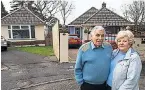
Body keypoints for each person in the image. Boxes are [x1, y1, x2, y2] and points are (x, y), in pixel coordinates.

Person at [74, 26, 113, 90]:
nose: (100, 38)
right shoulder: (84, 49)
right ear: (91, 36)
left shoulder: (108, 47)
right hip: (87, 86)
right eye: (97, 35)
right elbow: (78, 67)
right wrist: (80, 82)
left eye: (102, 35)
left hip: (104, 85)